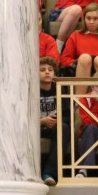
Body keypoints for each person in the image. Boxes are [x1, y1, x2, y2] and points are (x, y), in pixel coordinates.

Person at [38, 57, 70, 186]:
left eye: (50, 70)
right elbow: (23, 119)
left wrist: (56, 122)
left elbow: (67, 116)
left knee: (64, 128)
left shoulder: (59, 89)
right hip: (36, 126)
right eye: (42, 70)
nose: (47, 72)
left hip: (53, 127)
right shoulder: (29, 90)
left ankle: (49, 173)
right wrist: (42, 121)